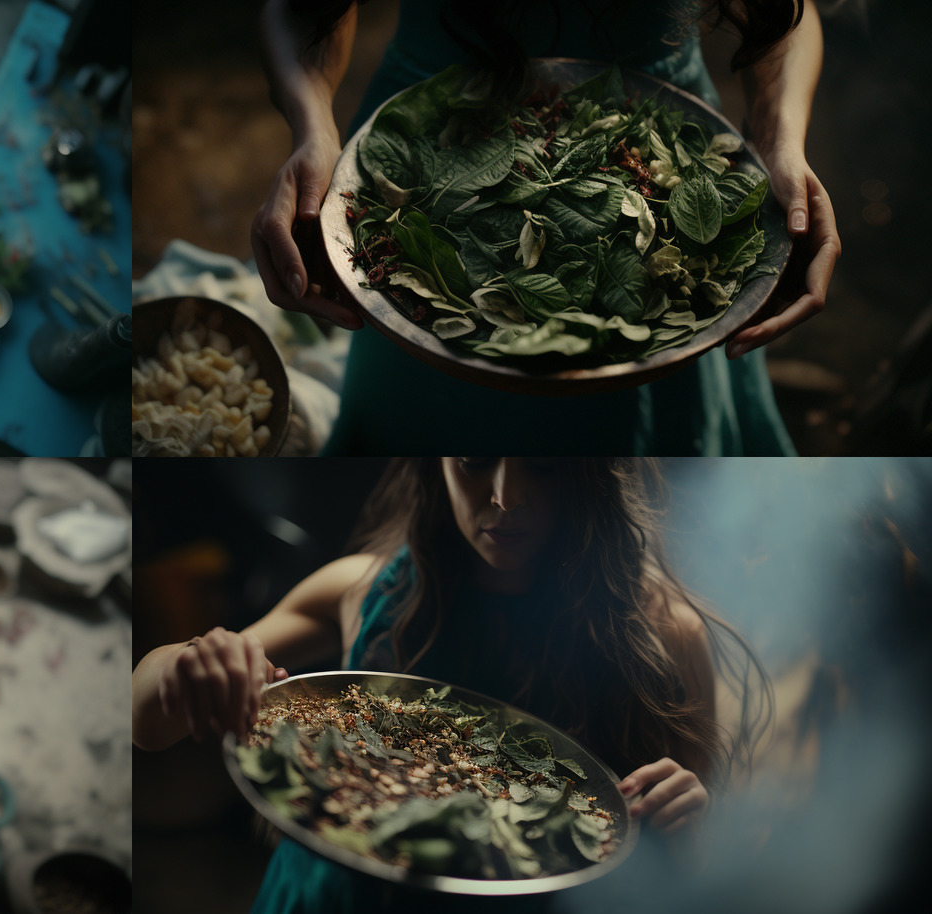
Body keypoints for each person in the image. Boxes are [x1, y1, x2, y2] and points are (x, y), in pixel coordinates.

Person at [132, 457, 772, 911]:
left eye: (544, 464)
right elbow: (145, 725)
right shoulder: (361, 590)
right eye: (471, 458)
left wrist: (686, 819)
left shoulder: (664, 635)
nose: (504, 496)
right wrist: (189, 663)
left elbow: (694, 869)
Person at [250, 0, 841, 454]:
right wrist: (313, 127)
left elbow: (785, 10)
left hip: (653, 123)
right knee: (434, 396)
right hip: (431, 144)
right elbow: (306, 7)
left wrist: (779, 138)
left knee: (642, 402)